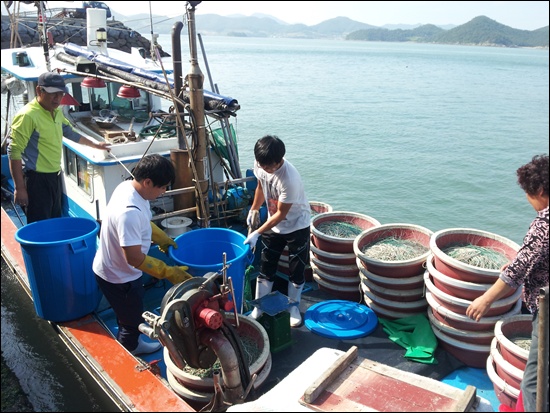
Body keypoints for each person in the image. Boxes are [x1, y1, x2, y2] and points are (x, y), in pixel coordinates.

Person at [466, 154, 549, 413]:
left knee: (535, 379)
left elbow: (517, 271)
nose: (528, 200)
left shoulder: (544, 224)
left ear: (541, 190)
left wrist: (485, 299)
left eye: (528, 194)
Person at [92, 154, 193, 356]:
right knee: (131, 319)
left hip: (115, 267)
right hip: (119, 276)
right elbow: (134, 258)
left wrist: (161, 237)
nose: (164, 192)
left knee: (130, 310)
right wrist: (168, 272)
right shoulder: (128, 213)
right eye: (162, 187)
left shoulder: (129, 188)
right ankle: (130, 347)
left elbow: (143, 222)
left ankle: (132, 336)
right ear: (147, 182)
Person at [7, 71, 110, 223]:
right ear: (39, 91)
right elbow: (14, 151)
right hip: (37, 179)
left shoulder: (55, 112)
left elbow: (69, 131)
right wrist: (20, 188)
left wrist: (95, 144)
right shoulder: (27, 116)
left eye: (61, 94)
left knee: (54, 219)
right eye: (52, 93)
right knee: (40, 223)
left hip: (54, 176)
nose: (57, 98)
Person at [244, 135, 311, 327]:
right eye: (262, 165)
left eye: (269, 167)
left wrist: (257, 232)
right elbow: (260, 186)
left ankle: (294, 307)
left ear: (280, 160)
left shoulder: (289, 179)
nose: (265, 170)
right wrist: (254, 208)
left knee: (296, 268)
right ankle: (259, 307)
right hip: (274, 224)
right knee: (266, 265)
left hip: (297, 225)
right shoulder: (261, 163)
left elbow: (281, 214)